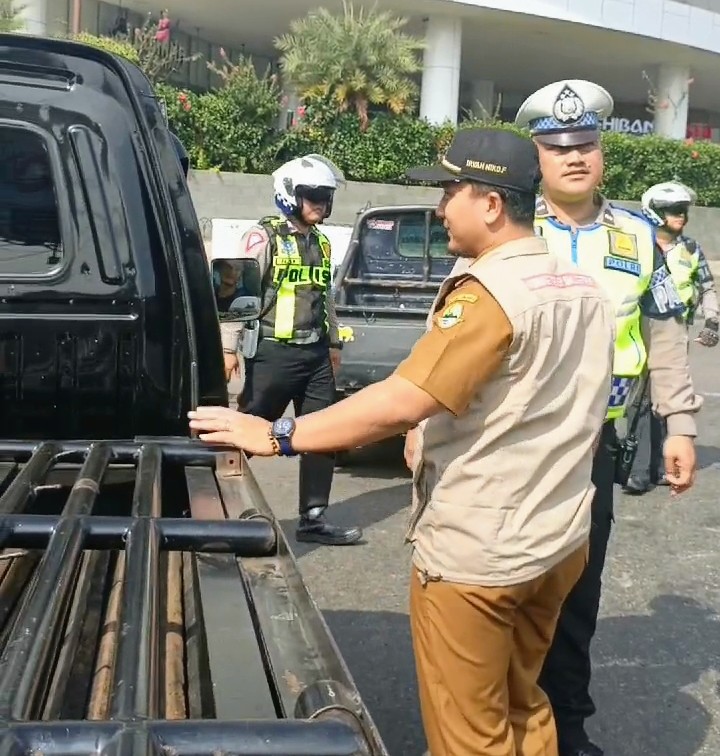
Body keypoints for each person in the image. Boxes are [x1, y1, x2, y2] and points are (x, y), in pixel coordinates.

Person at [189, 128, 618, 756]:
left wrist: (279, 433)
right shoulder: (579, 285)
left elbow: (401, 400)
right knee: (524, 704)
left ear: (491, 203)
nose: (441, 207)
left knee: (470, 732)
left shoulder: (492, 294)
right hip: (558, 541)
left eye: (450, 191)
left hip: (482, 555)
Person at [506, 80, 700, 756]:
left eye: (586, 144)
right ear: (538, 157)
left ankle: (568, 727)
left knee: (576, 597)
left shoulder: (641, 237)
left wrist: (679, 425)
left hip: (596, 448)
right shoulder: (510, 228)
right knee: (507, 589)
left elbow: (667, 337)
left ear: (602, 153)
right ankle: (499, 724)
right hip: (512, 445)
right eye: (559, 148)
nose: (575, 157)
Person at [220, 154, 361, 547]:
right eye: (312, 195)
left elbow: (325, 298)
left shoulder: (322, 242)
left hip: (315, 356)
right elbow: (238, 293)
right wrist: (228, 347)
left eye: (325, 196)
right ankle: (211, 505)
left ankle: (314, 517)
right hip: (272, 355)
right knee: (246, 430)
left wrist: (333, 344)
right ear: (288, 195)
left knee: (322, 434)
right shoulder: (262, 237)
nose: (320, 204)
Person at [623, 180, 719, 494]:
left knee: (668, 403)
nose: (682, 217)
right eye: (675, 211)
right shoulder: (638, 245)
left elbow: (706, 287)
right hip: (637, 334)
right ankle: (638, 469)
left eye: (684, 211)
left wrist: (712, 321)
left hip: (675, 334)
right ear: (655, 212)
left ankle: (661, 466)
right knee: (639, 403)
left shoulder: (690, 249)